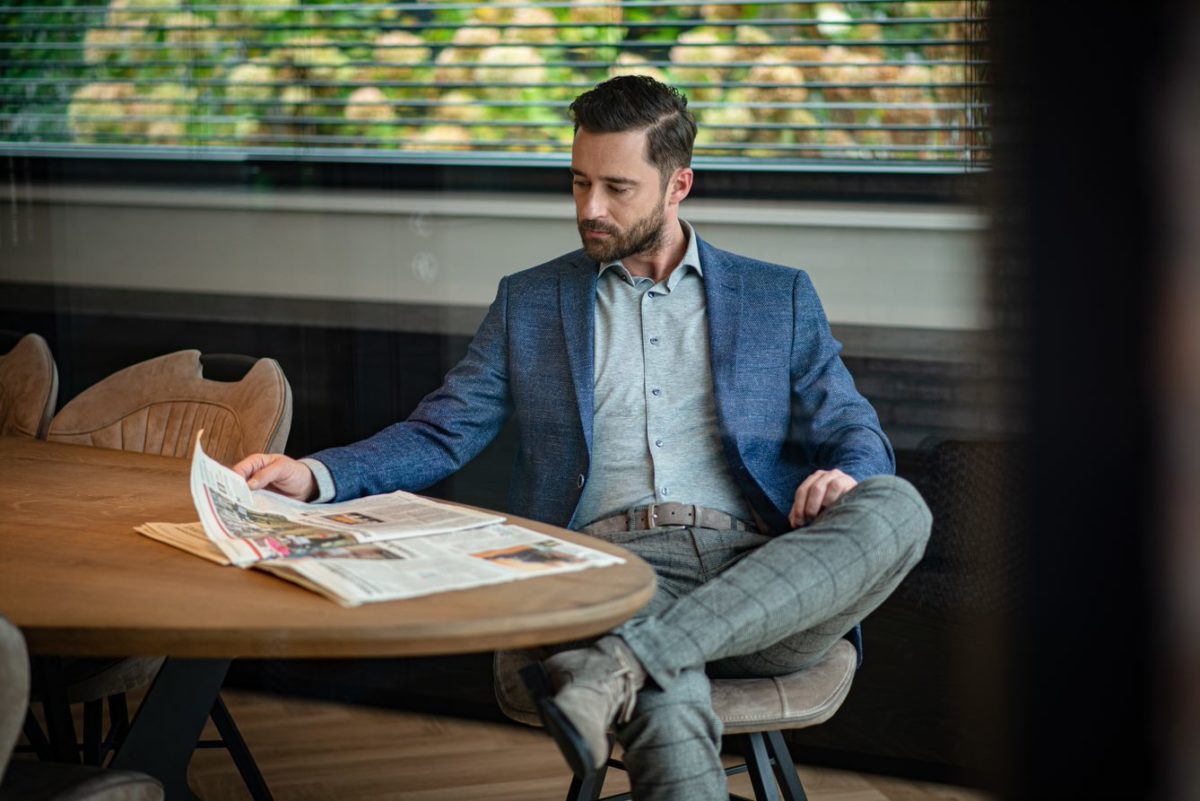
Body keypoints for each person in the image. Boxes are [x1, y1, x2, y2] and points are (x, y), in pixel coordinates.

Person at [235, 75, 932, 801]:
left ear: (677, 185)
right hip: (603, 570)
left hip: (763, 579)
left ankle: (620, 663)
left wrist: (848, 473)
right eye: (578, 182)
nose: (589, 209)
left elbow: (854, 426)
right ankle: (640, 659)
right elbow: (443, 430)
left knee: (900, 506)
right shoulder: (531, 300)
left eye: (616, 188)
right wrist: (315, 474)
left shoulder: (776, 295)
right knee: (666, 689)